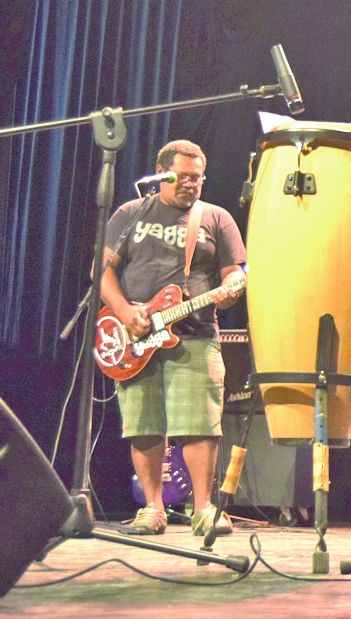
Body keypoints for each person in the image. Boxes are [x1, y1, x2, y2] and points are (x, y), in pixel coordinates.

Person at [100, 139, 246, 536]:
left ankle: (204, 509)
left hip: (195, 334)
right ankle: (152, 508)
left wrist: (233, 285)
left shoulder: (215, 218)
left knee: (200, 423)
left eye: (197, 178)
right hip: (136, 335)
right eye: (182, 177)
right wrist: (126, 312)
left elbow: (234, 271)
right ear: (161, 173)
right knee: (142, 424)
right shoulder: (131, 213)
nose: (190, 185)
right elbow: (103, 271)